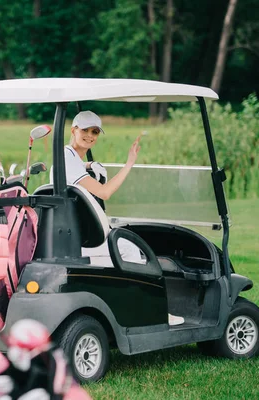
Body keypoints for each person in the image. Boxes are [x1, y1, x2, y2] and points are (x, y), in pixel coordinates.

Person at [63, 111, 184, 326]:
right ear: (73, 130)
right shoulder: (67, 159)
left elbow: (75, 172)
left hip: (76, 234)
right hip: (85, 241)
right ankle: (153, 313)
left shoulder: (70, 157)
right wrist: (129, 163)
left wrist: (89, 166)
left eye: (95, 132)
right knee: (133, 250)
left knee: (126, 245)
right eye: (85, 130)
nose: (90, 136)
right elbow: (105, 192)